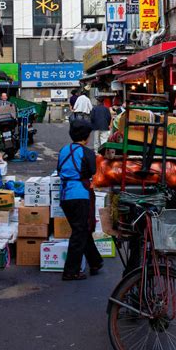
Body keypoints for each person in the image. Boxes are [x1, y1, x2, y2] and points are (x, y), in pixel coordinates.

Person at [57, 120, 103, 281]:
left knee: (82, 229)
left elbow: (59, 169)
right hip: (80, 195)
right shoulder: (87, 153)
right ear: (87, 136)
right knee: (79, 232)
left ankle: (95, 262)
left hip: (64, 196)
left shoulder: (63, 150)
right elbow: (92, 171)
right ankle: (71, 271)